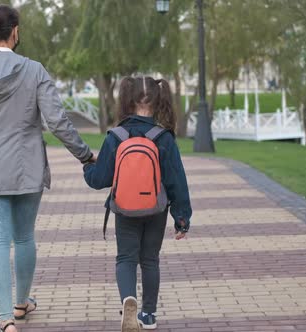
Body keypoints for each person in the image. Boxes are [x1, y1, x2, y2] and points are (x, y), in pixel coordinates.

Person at [0, 4, 95, 332]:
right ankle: (21, 303)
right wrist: (85, 155)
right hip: (27, 168)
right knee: (24, 236)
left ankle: (5, 320)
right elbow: (56, 121)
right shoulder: (34, 70)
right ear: (16, 32)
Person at [83, 76, 191, 331]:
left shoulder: (116, 136)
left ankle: (128, 300)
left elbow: (100, 179)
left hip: (125, 209)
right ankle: (149, 315)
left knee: (126, 259)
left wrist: (88, 166)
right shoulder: (163, 138)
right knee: (150, 260)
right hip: (156, 208)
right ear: (158, 101)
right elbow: (177, 181)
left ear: (127, 101)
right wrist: (182, 218)